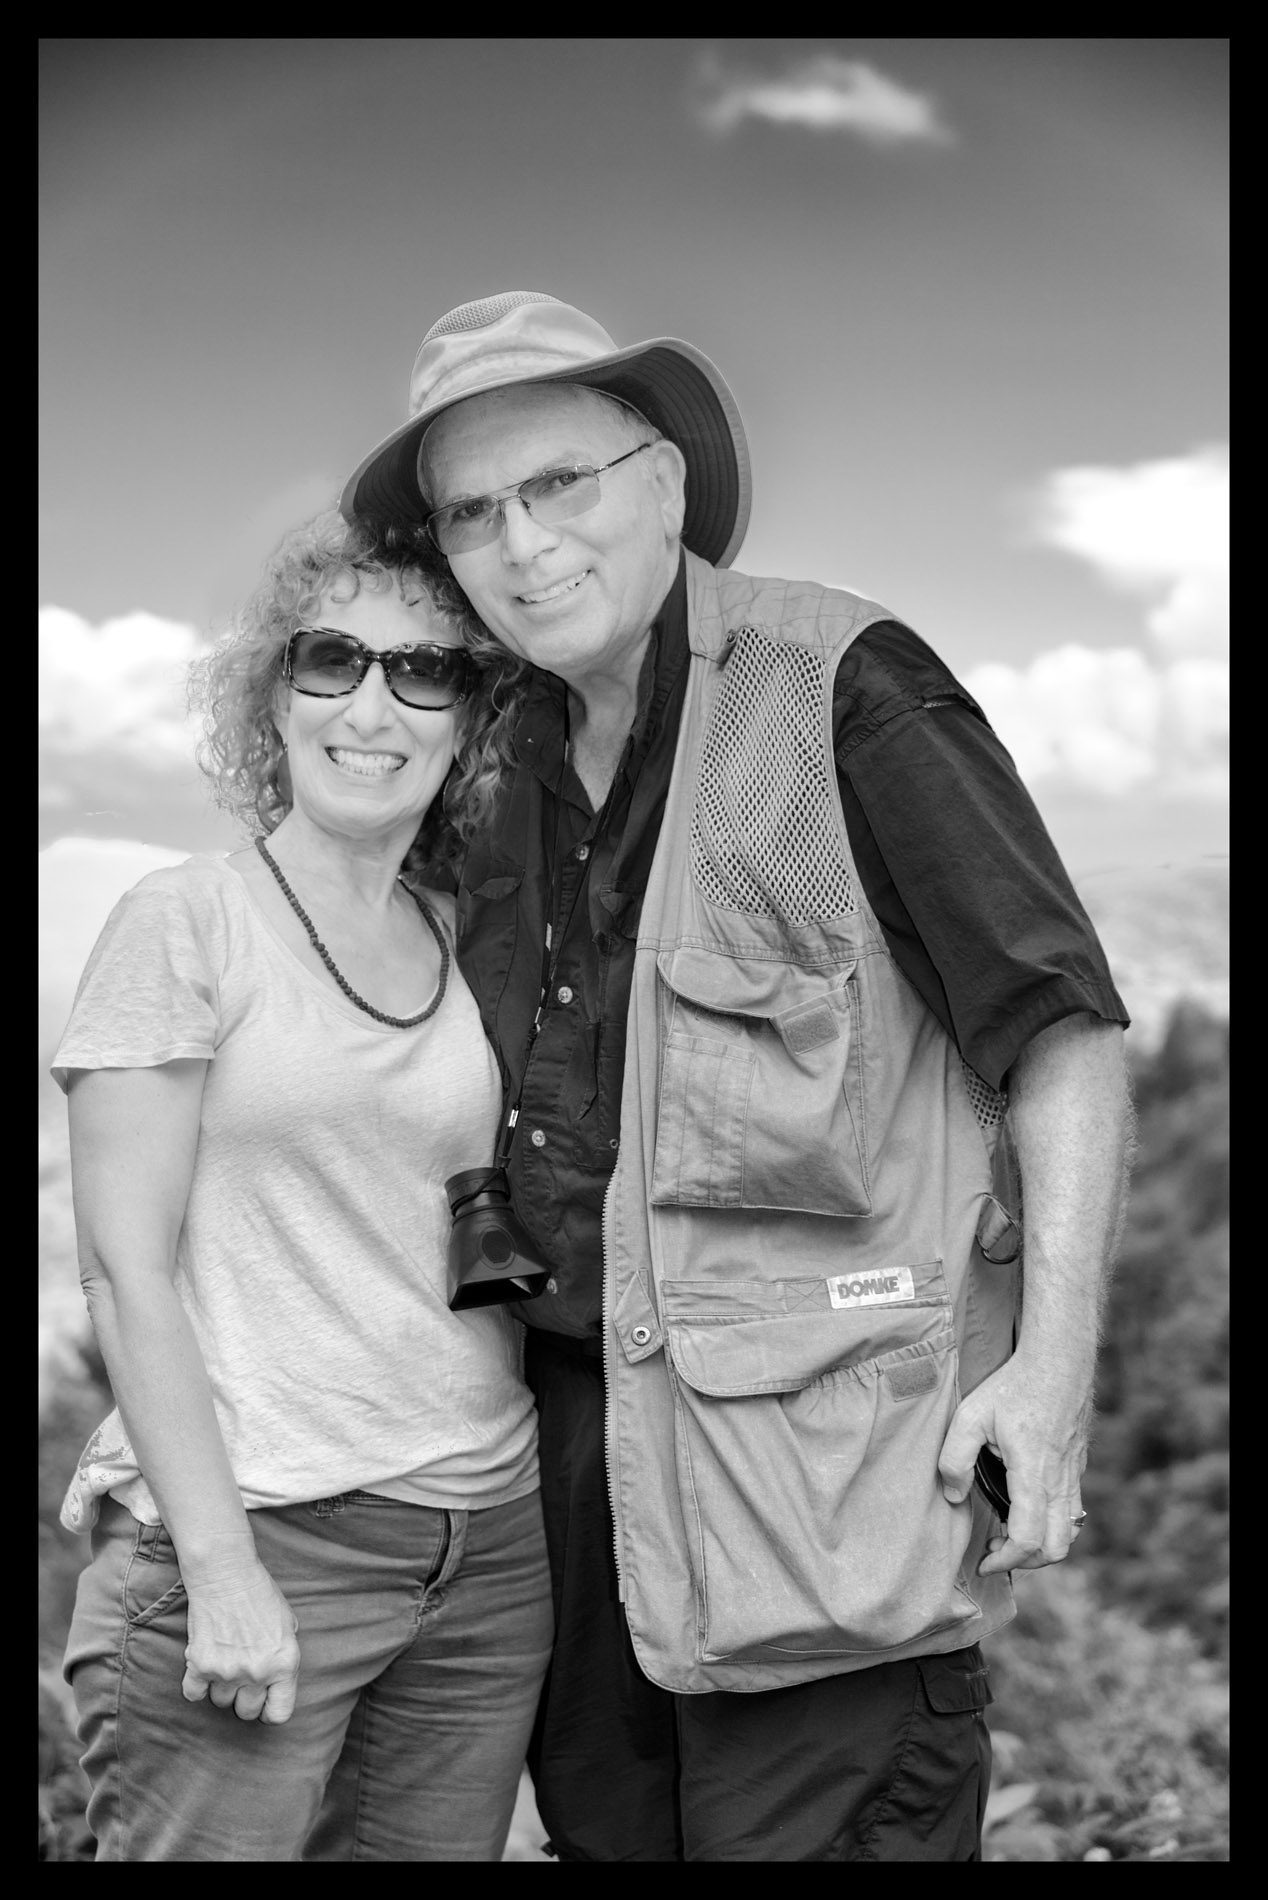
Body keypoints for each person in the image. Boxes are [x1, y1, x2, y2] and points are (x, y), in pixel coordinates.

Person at [340, 292, 1135, 1862]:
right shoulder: (486, 770)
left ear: (666, 483)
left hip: (830, 1485)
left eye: (559, 483)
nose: (521, 543)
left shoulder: (842, 686)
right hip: (573, 1494)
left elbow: (1063, 1035)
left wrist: (1050, 1378)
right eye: (473, 513)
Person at [52, 511, 553, 1862]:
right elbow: (123, 1268)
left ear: (471, 718)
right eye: (331, 658)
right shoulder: (186, 920)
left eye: (426, 670)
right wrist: (220, 1575)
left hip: (488, 1544)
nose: (372, 704)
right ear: (272, 692)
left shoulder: (463, 933)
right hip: (265, 1534)